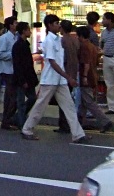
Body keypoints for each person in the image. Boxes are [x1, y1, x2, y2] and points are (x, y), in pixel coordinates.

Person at [21, 14, 90, 143]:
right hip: (50, 79)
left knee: (69, 107)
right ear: (49, 25)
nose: (59, 25)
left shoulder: (58, 39)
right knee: (40, 106)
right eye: (56, 23)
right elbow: (52, 62)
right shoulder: (49, 41)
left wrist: (66, 78)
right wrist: (68, 77)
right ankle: (27, 129)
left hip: (60, 80)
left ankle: (78, 134)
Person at [77, 25, 112, 133]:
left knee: (89, 102)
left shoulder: (84, 46)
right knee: (83, 102)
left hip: (87, 77)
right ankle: (79, 122)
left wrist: (84, 77)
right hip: (93, 75)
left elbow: (86, 63)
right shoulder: (92, 46)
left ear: (81, 36)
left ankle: (105, 121)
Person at [56, 19, 81, 134]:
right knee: (67, 99)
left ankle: (64, 124)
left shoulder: (62, 41)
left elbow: (62, 58)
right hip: (73, 72)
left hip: (65, 73)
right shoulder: (75, 40)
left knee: (63, 101)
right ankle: (67, 124)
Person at [12, 22, 37, 128]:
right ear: (23, 31)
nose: (30, 32)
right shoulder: (18, 46)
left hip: (29, 77)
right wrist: (22, 80)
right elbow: (17, 65)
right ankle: (21, 123)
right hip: (22, 78)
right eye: (28, 30)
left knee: (32, 98)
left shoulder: (26, 44)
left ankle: (17, 118)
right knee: (21, 102)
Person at [0, 16, 18, 130]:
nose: (17, 25)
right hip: (6, 70)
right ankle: (6, 120)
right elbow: (0, 54)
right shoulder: (4, 38)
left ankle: (8, 119)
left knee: (12, 97)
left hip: (13, 70)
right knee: (11, 97)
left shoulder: (16, 37)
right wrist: (14, 54)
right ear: (10, 25)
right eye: (15, 23)